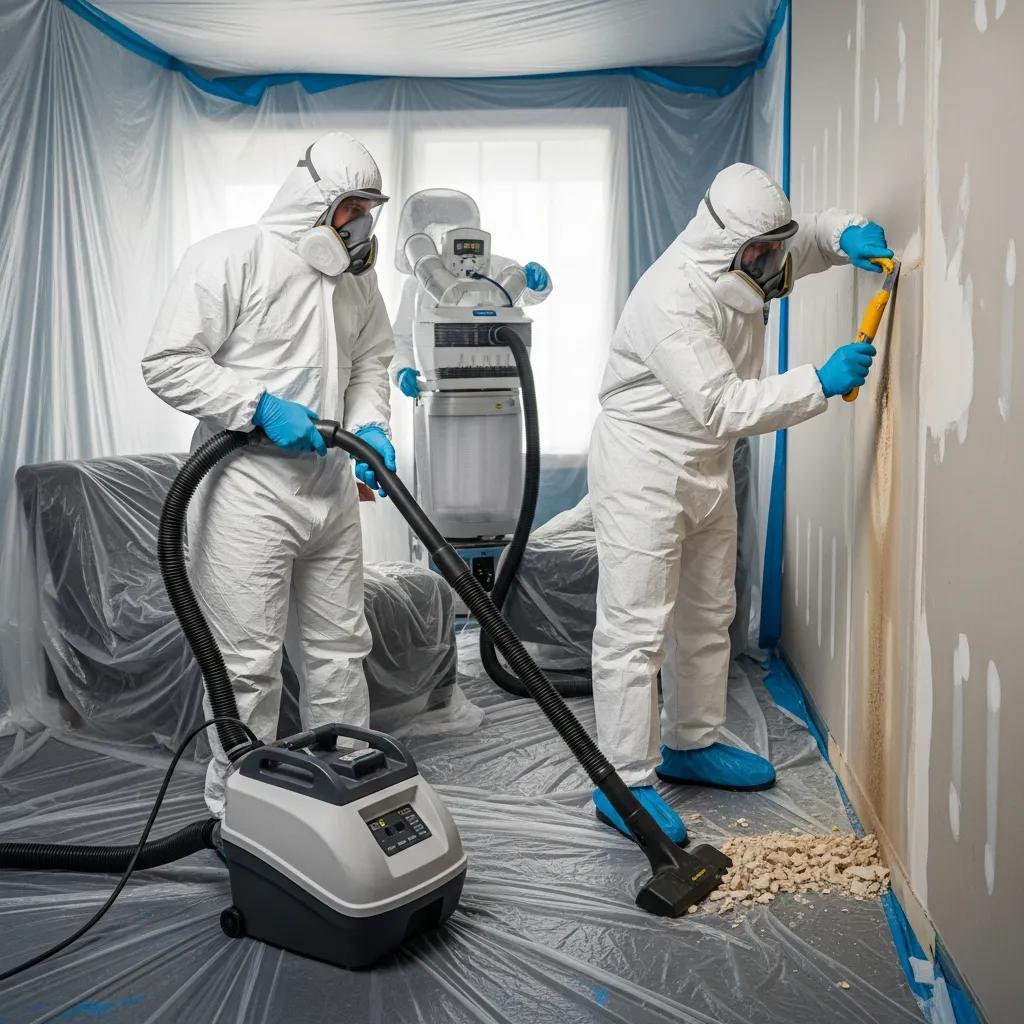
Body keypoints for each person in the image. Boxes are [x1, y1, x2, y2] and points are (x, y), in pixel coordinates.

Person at [588, 162, 892, 843]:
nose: (774, 264)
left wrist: (846, 234)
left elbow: (806, 239)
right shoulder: (672, 299)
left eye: (773, 248)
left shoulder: (748, 257)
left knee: (707, 610)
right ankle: (624, 781)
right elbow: (724, 403)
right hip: (646, 461)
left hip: (704, 459)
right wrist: (819, 379)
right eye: (762, 253)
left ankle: (691, 741)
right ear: (727, 249)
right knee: (636, 626)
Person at [142, 132, 397, 816]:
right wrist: (255, 406)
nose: (361, 224)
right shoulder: (230, 257)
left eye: (370, 208)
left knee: (340, 652)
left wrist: (372, 425)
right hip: (246, 492)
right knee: (246, 665)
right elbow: (167, 361)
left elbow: (374, 358)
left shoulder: (357, 279)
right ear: (311, 201)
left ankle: (346, 791)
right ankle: (240, 814)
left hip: (330, 488)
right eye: (351, 206)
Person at [388, 188, 552, 398]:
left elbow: (522, 294)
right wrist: (401, 370)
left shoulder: (493, 268)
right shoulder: (417, 284)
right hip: (441, 390)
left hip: (497, 387)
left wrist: (537, 284)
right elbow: (401, 338)